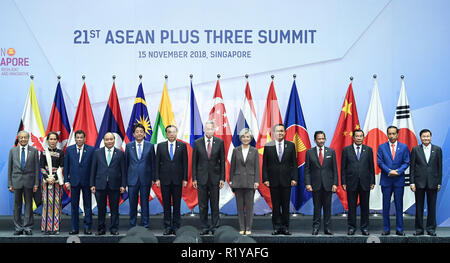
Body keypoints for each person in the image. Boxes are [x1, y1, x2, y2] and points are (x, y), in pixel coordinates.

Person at [262, 124, 298, 235]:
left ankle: (285, 227)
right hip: (273, 181)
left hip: (287, 181)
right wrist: (265, 179)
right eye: (278, 131)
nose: (280, 133)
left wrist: (294, 178)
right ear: (274, 133)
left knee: (286, 206)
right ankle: (277, 227)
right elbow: (265, 165)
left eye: (282, 131)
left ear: (285, 133)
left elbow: (294, 164)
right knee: (276, 206)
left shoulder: (291, 145)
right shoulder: (268, 146)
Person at [192, 120, 225, 235]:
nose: (209, 131)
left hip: (215, 179)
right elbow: (194, 162)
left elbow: (222, 162)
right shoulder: (197, 143)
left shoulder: (220, 142)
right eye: (207, 129)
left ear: (214, 130)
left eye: (211, 129)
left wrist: (222, 178)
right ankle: (204, 227)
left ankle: (215, 226)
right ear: (204, 130)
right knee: (203, 205)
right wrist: (194, 178)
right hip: (201, 179)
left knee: (215, 204)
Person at [90, 132, 126, 235]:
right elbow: (93, 169)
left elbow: (123, 171)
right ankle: (101, 228)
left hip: (115, 185)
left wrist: (123, 185)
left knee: (114, 209)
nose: (109, 141)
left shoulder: (120, 153)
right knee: (101, 209)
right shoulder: (97, 153)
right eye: (107, 139)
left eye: (111, 139)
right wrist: (92, 184)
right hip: (100, 185)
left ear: (114, 140)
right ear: (103, 141)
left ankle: (114, 228)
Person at [377, 125, 410, 236]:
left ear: (397, 134)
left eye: (393, 133)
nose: (391, 136)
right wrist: (389, 171)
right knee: (386, 206)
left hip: (399, 180)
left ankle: (399, 229)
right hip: (386, 180)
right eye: (389, 134)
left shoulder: (404, 147)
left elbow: (406, 162)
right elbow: (380, 162)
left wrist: (398, 171)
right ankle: (386, 229)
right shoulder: (381, 147)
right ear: (387, 134)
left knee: (399, 205)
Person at [155, 125, 188, 235]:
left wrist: (185, 178)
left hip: (178, 180)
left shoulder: (182, 146)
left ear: (177, 132)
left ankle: (176, 226)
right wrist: (157, 178)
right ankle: (167, 226)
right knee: (166, 204)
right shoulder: (160, 146)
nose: (172, 134)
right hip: (164, 180)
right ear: (166, 133)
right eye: (169, 132)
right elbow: (157, 164)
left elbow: (185, 163)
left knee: (177, 204)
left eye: (173, 132)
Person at [341, 129, 375, 235]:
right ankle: (351, 227)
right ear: (353, 137)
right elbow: (343, 168)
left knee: (365, 206)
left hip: (365, 182)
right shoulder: (346, 150)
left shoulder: (368, 150)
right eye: (357, 136)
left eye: (361, 136)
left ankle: (364, 227)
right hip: (351, 182)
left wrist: (372, 181)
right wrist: (343, 182)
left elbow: (371, 167)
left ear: (363, 137)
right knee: (352, 207)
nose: (359, 138)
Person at [304, 131, 338, 235]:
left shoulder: (331, 151)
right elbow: (307, 170)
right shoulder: (309, 152)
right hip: (315, 185)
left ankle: (327, 229)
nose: (321, 140)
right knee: (317, 208)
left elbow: (335, 170)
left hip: (328, 185)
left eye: (323, 138)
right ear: (315, 140)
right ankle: (316, 228)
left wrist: (335, 184)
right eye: (319, 139)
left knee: (328, 208)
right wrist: (308, 183)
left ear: (325, 139)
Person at [410, 129, 442, 236]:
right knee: (419, 207)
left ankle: (431, 229)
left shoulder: (437, 150)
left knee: (431, 208)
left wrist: (439, 183)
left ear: (431, 137)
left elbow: (439, 168)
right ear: (420, 138)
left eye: (428, 136)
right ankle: (419, 230)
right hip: (419, 183)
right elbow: (412, 168)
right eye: (424, 136)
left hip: (433, 183)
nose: (426, 138)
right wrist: (412, 182)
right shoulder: (415, 150)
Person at [8, 131, 40, 235]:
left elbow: (36, 169)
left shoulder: (34, 151)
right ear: (18, 138)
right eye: (21, 138)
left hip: (29, 182)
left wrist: (36, 184)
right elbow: (10, 168)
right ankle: (18, 227)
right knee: (17, 205)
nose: (23, 139)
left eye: (25, 137)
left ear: (28, 138)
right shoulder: (13, 151)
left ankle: (27, 227)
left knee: (28, 205)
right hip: (16, 181)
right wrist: (10, 184)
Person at [125, 123, 155, 229]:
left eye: (141, 132)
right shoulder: (128, 146)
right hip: (132, 179)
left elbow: (153, 163)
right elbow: (126, 164)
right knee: (132, 204)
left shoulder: (150, 146)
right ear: (133, 134)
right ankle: (132, 224)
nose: (139, 134)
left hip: (145, 179)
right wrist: (125, 181)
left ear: (144, 134)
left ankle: (145, 224)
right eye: (137, 132)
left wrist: (153, 178)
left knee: (144, 203)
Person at [230, 128, 260, 235]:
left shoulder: (255, 150)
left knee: (249, 208)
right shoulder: (236, 150)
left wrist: (257, 181)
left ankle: (248, 228)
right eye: (243, 136)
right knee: (240, 207)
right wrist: (231, 180)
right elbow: (232, 167)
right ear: (240, 138)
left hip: (250, 182)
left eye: (247, 137)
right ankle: (242, 227)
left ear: (250, 138)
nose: (245, 138)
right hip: (238, 182)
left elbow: (257, 167)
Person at [64, 130, 94, 235]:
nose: (80, 139)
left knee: (87, 206)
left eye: (81, 137)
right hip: (74, 182)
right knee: (74, 206)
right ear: (75, 138)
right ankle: (74, 228)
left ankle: (87, 228)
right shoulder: (69, 150)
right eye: (78, 137)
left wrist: (92, 183)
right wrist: (66, 181)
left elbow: (93, 168)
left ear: (85, 139)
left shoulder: (91, 150)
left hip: (87, 183)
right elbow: (66, 166)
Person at [40, 131, 65, 235]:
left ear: (57, 140)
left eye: (55, 139)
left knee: (56, 204)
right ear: (47, 140)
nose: (53, 141)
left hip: (57, 181)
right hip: (46, 182)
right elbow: (41, 167)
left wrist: (54, 178)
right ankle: (46, 227)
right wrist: (47, 178)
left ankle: (55, 227)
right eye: (51, 139)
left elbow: (61, 167)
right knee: (47, 204)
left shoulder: (60, 152)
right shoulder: (43, 152)